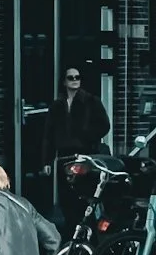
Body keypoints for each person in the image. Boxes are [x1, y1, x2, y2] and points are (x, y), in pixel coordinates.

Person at [42, 67, 111, 228]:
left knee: (84, 196)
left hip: (85, 155)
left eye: (77, 77)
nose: (74, 80)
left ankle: (87, 230)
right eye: (71, 77)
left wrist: (87, 136)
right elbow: (49, 134)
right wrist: (47, 160)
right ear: (64, 81)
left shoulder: (91, 101)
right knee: (66, 198)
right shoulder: (57, 105)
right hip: (64, 156)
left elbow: (105, 125)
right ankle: (71, 230)